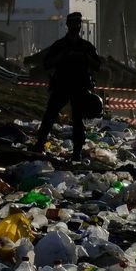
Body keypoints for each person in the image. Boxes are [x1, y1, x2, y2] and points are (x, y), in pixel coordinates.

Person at [32, 12, 101, 162]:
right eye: (73, 23)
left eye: (78, 23)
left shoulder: (86, 47)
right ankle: (40, 143)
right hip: (62, 85)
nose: (76, 26)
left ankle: (77, 151)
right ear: (68, 25)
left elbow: (97, 66)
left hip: (79, 87)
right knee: (50, 114)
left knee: (77, 119)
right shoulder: (60, 45)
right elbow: (47, 63)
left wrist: (84, 57)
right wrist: (63, 56)